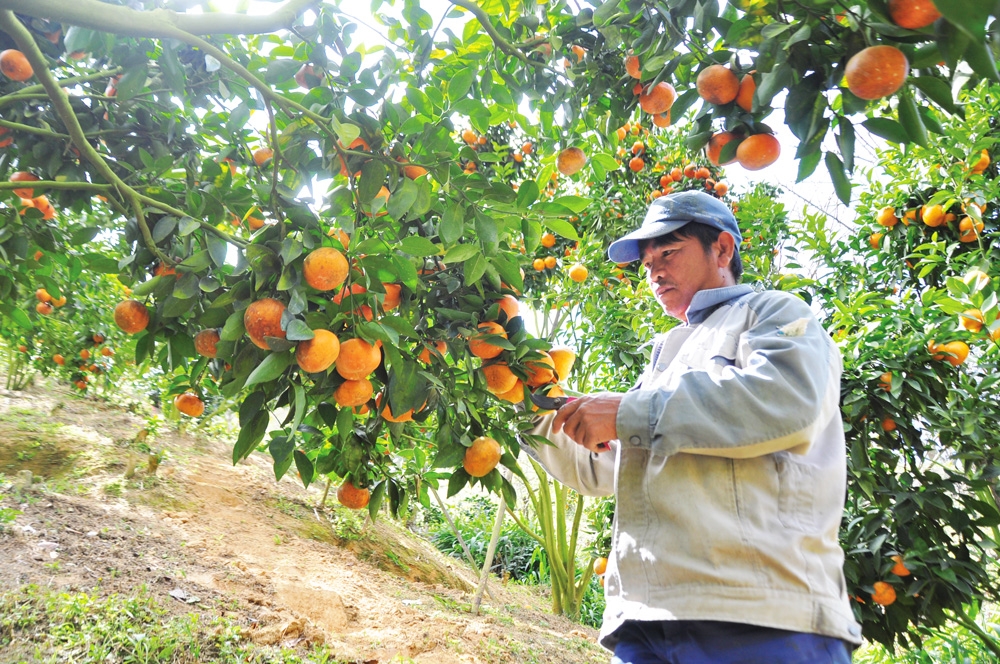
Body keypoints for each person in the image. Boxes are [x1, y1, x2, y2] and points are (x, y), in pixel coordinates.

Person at [526, 190, 862, 663]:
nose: (655, 272)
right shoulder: (665, 358)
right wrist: (527, 400)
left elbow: (786, 400)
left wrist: (627, 412)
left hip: (757, 615)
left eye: (669, 252)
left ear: (722, 249)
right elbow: (601, 469)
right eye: (646, 264)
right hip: (647, 622)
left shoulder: (773, 313)